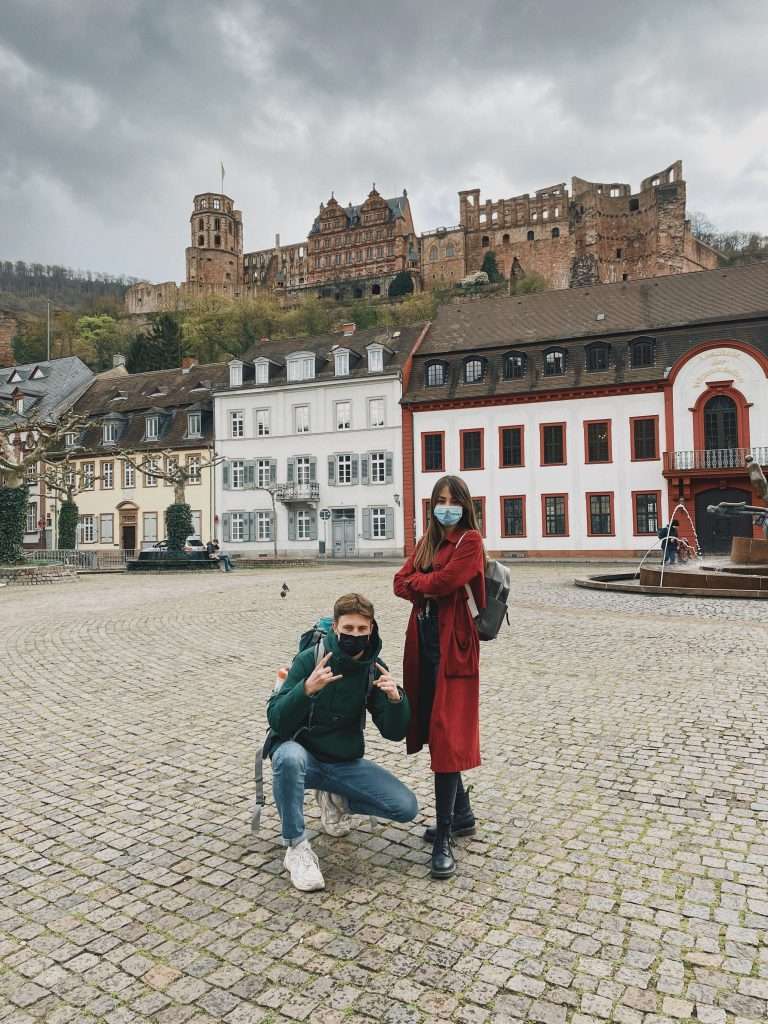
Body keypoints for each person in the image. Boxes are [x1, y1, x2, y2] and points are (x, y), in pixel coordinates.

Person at [267, 592, 418, 892]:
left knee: (405, 807)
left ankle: (336, 800)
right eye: (348, 628)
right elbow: (277, 719)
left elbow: (394, 732)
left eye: (362, 629)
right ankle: (296, 847)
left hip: (342, 763)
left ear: (371, 629)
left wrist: (395, 699)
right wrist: (306, 690)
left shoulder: (373, 667)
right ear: (336, 627)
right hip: (304, 758)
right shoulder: (310, 659)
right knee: (287, 758)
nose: (355, 635)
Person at [394, 475, 486, 880]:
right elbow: (400, 583)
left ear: (465, 505)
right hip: (423, 641)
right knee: (434, 728)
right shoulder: (427, 543)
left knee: (447, 733)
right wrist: (425, 586)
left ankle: (444, 836)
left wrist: (424, 583)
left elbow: (447, 581)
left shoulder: (470, 542)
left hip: (454, 644)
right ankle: (462, 814)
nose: (446, 507)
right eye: (440, 500)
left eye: (453, 500)